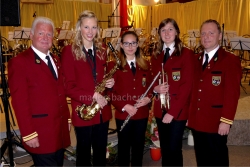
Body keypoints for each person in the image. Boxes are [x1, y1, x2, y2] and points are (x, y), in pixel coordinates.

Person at [8, 16, 71, 166]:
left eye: (49, 34)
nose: (45, 38)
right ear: (31, 35)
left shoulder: (56, 59)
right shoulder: (19, 62)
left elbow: (61, 91)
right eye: (41, 33)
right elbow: (19, 102)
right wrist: (29, 134)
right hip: (40, 132)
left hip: (59, 130)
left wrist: (67, 119)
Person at [61, 10, 114, 166]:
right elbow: (68, 87)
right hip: (83, 110)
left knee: (100, 153)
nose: (90, 32)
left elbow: (103, 77)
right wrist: (93, 95)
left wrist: (110, 84)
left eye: (94, 27)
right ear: (79, 28)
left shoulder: (103, 49)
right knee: (83, 154)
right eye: (86, 27)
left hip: (102, 111)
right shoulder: (69, 52)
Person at [187, 19, 242, 166]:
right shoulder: (195, 59)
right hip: (197, 120)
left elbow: (232, 94)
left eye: (211, 33)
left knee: (218, 158)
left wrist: (226, 121)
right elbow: (192, 90)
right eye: (203, 33)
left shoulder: (230, 60)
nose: (206, 36)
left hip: (216, 121)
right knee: (202, 158)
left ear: (219, 36)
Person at [150, 18, 194, 166]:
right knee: (165, 147)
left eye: (170, 29)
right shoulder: (155, 55)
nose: (167, 33)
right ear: (159, 34)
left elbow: (187, 86)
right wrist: (155, 88)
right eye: (163, 30)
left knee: (175, 148)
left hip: (177, 110)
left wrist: (172, 112)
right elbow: (151, 80)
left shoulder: (186, 53)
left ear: (177, 32)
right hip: (160, 108)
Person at [109, 31, 152, 166]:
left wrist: (149, 98)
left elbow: (150, 87)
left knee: (138, 147)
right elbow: (110, 92)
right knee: (124, 148)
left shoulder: (145, 64)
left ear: (138, 44)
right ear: (121, 45)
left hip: (141, 113)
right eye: (126, 43)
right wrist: (124, 105)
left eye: (133, 43)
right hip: (123, 114)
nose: (130, 46)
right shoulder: (113, 66)